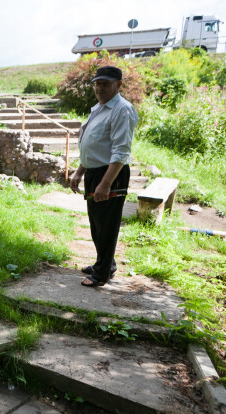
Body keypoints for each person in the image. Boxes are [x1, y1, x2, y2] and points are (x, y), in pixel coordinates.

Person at [69, 65, 138, 287]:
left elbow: (120, 151)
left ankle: (101, 275)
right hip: (94, 172)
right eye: (97, 83)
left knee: (107, 226)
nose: (100, 88)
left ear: (118, 85)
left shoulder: (122, 110)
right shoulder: (100, 108)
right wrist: (80, 171)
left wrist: (105, 183)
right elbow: (94, 144)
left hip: (110, 174)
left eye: (105, 83)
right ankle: (105, 264)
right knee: (97, 224)